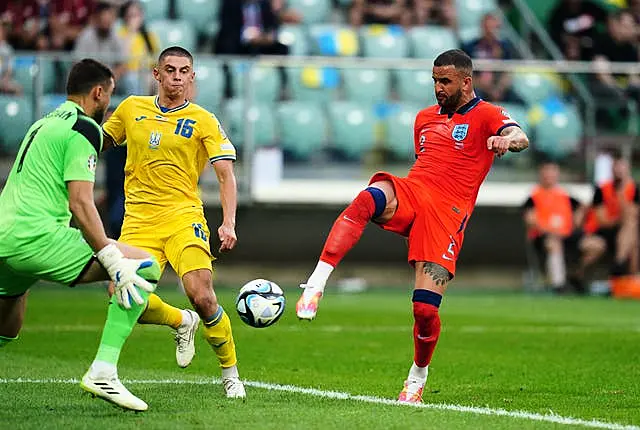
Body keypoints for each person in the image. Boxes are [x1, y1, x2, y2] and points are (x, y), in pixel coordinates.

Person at [295, 49, 529, 403]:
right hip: (415, 190)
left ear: (466, 82)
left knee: (424, 311)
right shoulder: (423, 119)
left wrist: (506, 140)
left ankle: (417, 379)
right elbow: (427, 163)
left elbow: (520, 135)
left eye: (445, 81)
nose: (437, 87)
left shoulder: (487, 114)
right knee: (367, 198)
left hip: (447, 214)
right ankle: (315, 284)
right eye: (434, 80)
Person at [0, 58, 160, 412]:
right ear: (98, 92)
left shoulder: (43, 122)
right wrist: (110, 256)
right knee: (147, 264)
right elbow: (81, 203)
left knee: (8, 324)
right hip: (36, 238)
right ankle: (104, 370)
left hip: (4, 235)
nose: (109, 106)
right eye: (110, 97)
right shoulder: (84, 128)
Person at [101, 46, 246, 399]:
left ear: (192, 77)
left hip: (183, 217)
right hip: (138, 221)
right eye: (170, 70)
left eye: (184, 71)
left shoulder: (204, 119)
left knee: (202, 295)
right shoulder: (131, 108)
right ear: (157, 74)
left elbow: (225, 175)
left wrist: (228, 222)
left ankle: (231, 373)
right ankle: (180, 321)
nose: (177, 77)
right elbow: (98, 143)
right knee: (122, 297)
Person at [522, 161, 605, 294]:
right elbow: (531, 220)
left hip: (567, 236)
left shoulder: (564, 196)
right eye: (547, 172)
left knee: (597, 245)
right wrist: (550, 231)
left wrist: (578, 217)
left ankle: (576, 275)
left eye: (552, 172)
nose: (549, 175)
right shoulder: (534, 197)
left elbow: (584, 207)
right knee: (554, 244)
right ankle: (559, 285)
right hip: (545, 237)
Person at [584, 154, 640, 276]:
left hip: (626, 232)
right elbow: (602, 221)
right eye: (616, 167)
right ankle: (623, 269)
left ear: (628, 169)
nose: (619, 171)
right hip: (605, 231)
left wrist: (622, 198)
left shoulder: (635, 190)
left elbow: (633, 214)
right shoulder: (601, 190)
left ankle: (621, 269)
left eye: (622, 167)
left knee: (633, 235)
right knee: (632, 233)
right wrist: (621, 219)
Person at [463, 13, 521, 104]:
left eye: (494, 28)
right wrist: (487, 89)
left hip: (499, 87)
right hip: (478, 87)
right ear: (482, 27)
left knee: (519, 102)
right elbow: (464, 75)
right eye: (488, 28)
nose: (491, 32)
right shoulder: (469, 47)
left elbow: (508, 73)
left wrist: (499, 89)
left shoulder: (505, 47)